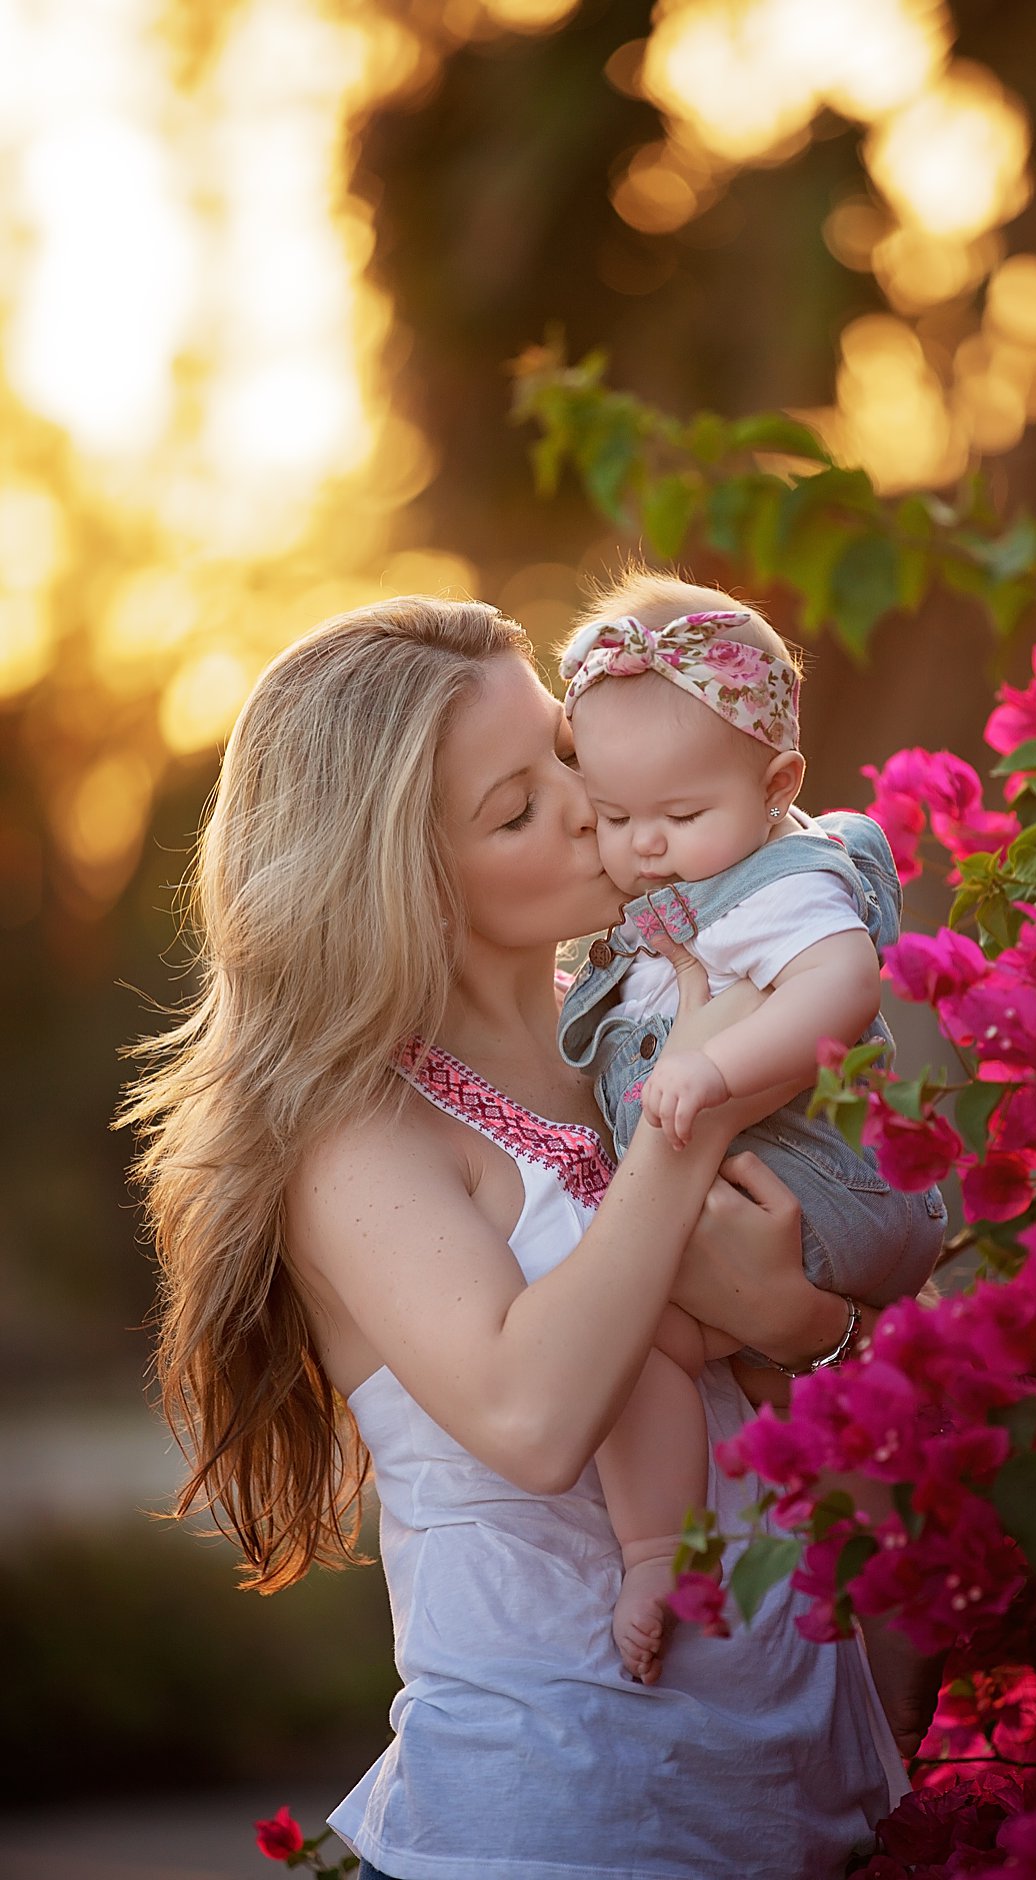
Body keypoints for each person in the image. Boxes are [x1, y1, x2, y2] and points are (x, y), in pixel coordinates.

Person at [124, 597, 909, 1880]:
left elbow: (814, 1369)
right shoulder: (361, 1138)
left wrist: (807, 1329)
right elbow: (535, 1418)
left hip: (794, 1799)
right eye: (515, 805)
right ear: (403, 883)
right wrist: (684, 1123)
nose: (584, 792)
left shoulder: (640, 1011)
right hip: (562, 1816)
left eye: (560, 743)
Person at [554, 572, 945, 1683]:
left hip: (822, 1188)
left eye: (680, 817)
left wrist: (717, 1063)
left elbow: (844, 985)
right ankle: (654, 1554)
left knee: (631, 1315)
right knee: (641, 1348)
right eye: (613, 817)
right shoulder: (649, 906)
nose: (647, 846)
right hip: (754, 1213)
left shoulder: (781, 880)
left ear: (779, 783)